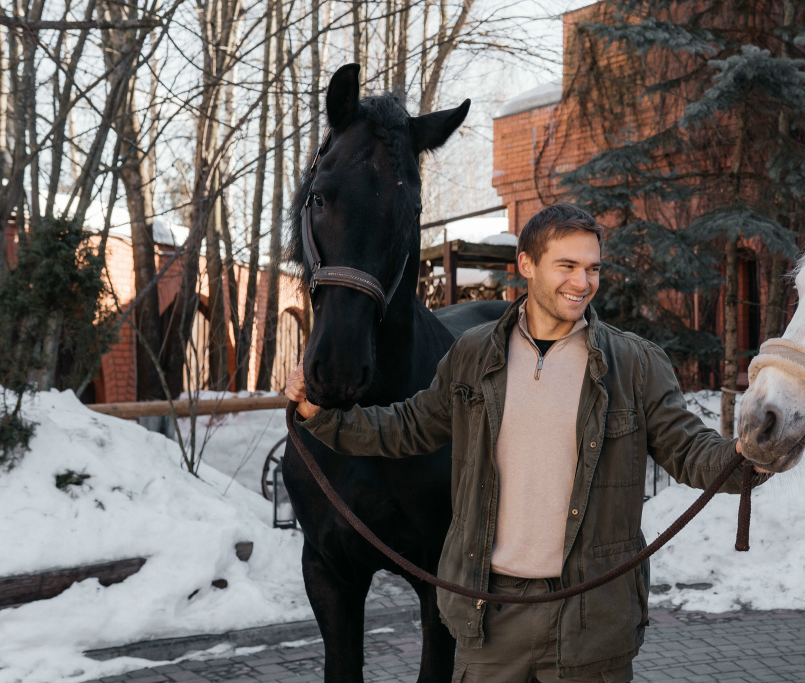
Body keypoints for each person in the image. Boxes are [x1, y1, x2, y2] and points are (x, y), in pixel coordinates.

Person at [285, 202, 762, 683]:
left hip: (591, 620)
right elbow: (410, 425)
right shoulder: (472, 354)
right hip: (491, 621)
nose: (583, 283)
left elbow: (689, 451)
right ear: (527, 265)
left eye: (593, 268)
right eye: (567, 266)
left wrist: (748, 457)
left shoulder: (635, 364)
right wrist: (321, 419)